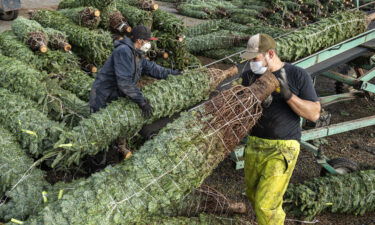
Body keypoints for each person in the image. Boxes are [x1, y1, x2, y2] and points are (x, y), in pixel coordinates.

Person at [240, 33, 321, 225]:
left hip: (283, 148)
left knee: (266, 204)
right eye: (250, 59)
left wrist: (288, 95)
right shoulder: (249, 76)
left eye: (255, 58)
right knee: (253, 195)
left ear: (270, 53)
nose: (252, 63)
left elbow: (314, 114)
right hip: (254, 145)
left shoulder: (296, 75)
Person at [89, 25, 181, 116]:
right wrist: (142, 102)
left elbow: (152, 68)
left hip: (116, 94)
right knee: (104, 123)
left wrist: (173, 73)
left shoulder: (136, 53)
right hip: (104, 97)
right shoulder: (124, 51)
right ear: (139, 41)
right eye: (148, 41)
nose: (149, 44)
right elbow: (124, 82)